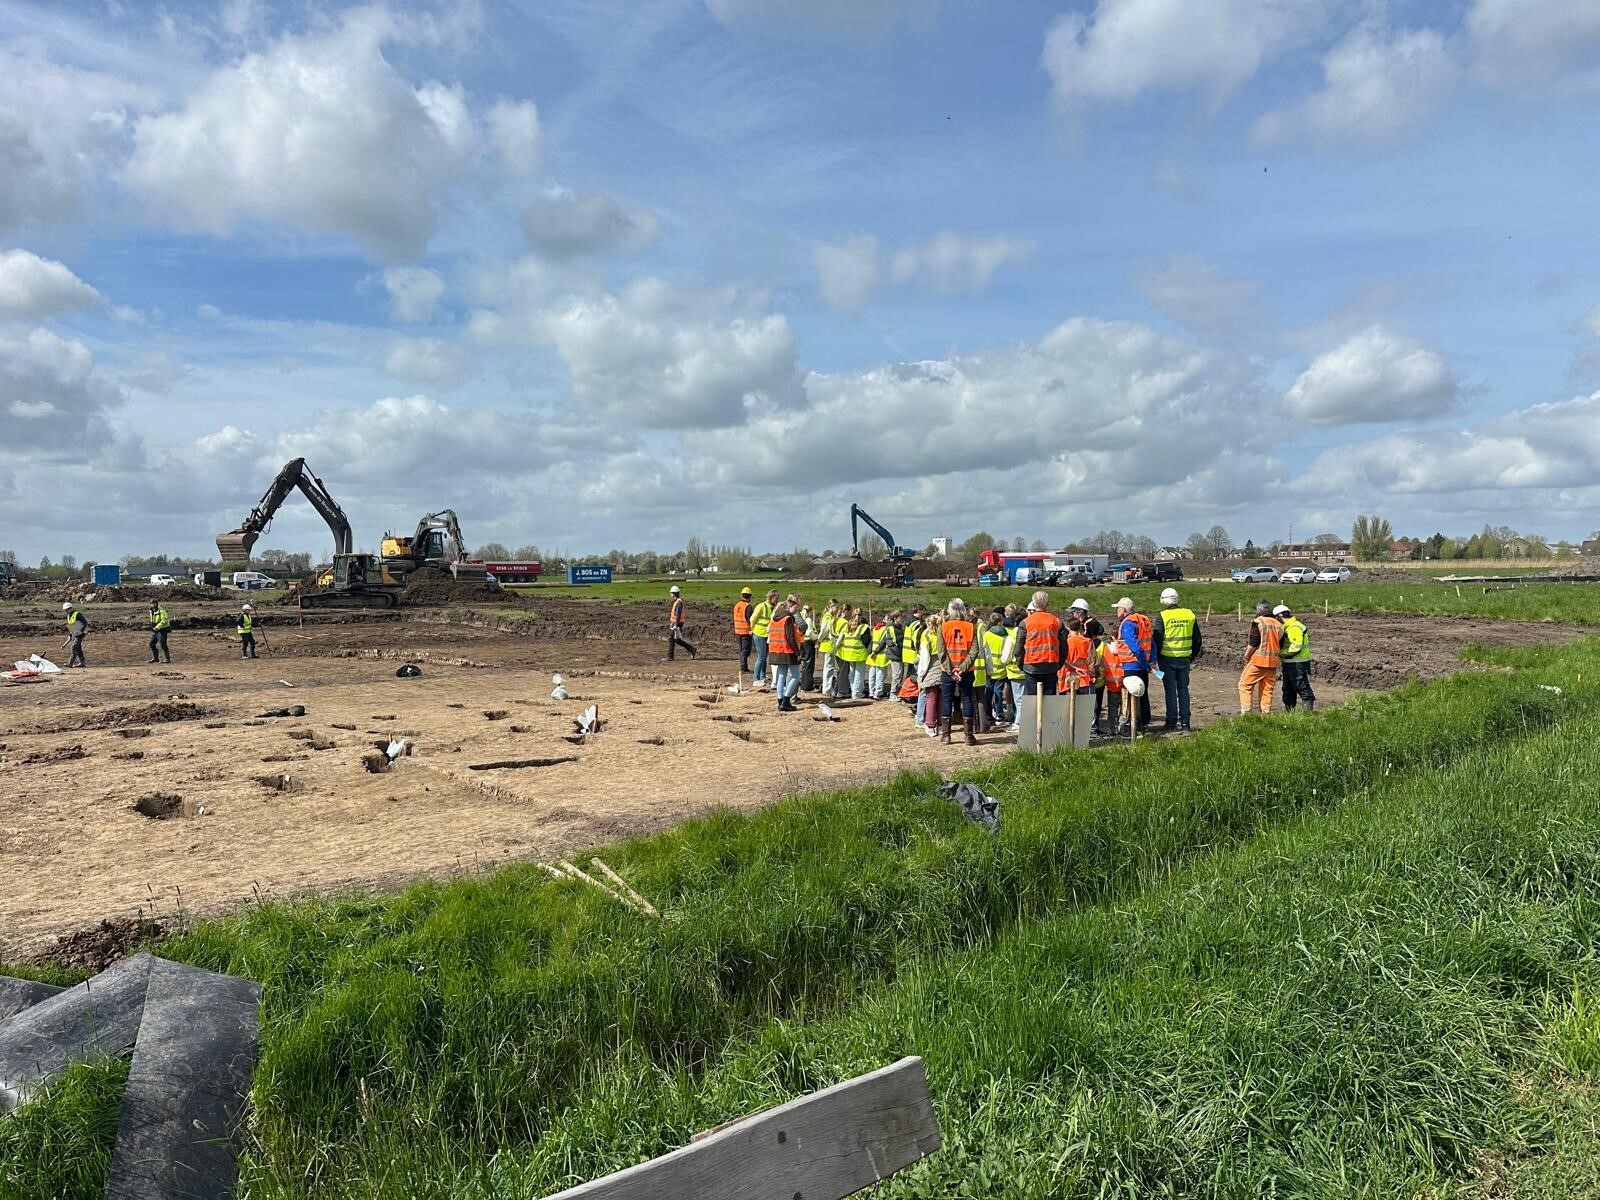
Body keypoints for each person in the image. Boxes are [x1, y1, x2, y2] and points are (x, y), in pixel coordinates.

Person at [939, 598, 992, 746]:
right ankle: (968, 736)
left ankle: (946, 736)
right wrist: (962, 668)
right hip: (966, 670)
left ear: (949, 610)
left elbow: (941, 652)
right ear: (963, 610)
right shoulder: (970, 627)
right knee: (967, 698)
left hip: (948, 671)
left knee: (947, 699)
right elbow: (974, 651)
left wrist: (951, 670)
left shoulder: (943, 627)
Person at [1155, 587, 1201, 732]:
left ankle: (1171, 722)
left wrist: (1156, 658)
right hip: (1185, 659)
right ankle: (1185, 723)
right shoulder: (1189, 614)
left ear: (1163, 601)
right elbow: (1197, 639)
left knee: (1170, 690)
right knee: (1183, 690)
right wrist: (1192, 655)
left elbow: (1158, 639)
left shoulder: (1162, 616)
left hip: (1166, 659)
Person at [1115, 597, 1154, 732]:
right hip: (1142, 665)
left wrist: (1144, 662)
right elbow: (1151, 642)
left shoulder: (1128, 623)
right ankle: (1143, 722)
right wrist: (1149, 662)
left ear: (1124, 610)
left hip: (1132, 664)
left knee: (1132, 695)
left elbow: (1135, 647)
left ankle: (1135, 726)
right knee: (1142, 694)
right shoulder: (1143, 620)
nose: (1117, 611)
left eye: (1118, 608)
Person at [1239, 599, 1284, 714]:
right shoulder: (1279, 624)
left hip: (1258, 661)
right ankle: (1266, 713)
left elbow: (1253, 643)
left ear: (1258, 610)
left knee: (1245, 685)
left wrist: (1246, 656)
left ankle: (1246, 713)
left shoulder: (1258, 622)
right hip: (1272, 663)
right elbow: (1281, 644)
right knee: (1267, 688)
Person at [1071, 598, 1108, 733]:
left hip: (1086, 676)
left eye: (1075, 612)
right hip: (1091, 677)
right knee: (1093, 702)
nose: (1073, 614)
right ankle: (1092, 727)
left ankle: (1090, 728)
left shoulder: (1085, 640)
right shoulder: (1095, 641)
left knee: (1088, 703)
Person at [1019, 591, 1066, 695]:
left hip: (1031, 667)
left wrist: (1021, 665)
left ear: (1033, 604)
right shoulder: (1057, 622)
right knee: (1049, 701)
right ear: (1047, 604)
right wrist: (1058, 664)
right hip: (1051, 666)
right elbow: (1064, 648)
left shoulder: (1025, 622)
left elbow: (1019, 648)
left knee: (1032, 700)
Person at [766, 601, 802, 711]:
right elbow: (790, 637)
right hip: (787, 651)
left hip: (775, 650)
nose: (796, 610)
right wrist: (797, 652)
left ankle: (780, 701)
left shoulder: (774, 618)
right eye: (795, 607)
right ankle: (786, 700)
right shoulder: (788, 619)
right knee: (796, 676)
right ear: (789, 607)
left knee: (781, 676)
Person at [1278, 604, 1315, 712]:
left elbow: (1295, 647)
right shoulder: (1289, 626)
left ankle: (1307, 715)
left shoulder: (1294, 627)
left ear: (1280, 616)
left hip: (1297, 664)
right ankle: (1290, 714)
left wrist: (1280, 654)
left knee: (1302, 688)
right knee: (1288, 690)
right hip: (1291, 662)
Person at [982, 609, 1012, 727]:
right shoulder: (1006, 635)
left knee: (988, 692)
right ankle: (999, 714)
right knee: (998, 691)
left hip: (989, 668)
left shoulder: (986, 635)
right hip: (1002, 668)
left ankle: (988, 714)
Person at [917, 613, 945, 735]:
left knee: (931, 697)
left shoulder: (926, 636)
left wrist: (920, 675)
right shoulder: (943, 633)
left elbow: (925, 658)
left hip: (931, 667)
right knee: (941, 698)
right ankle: (940, 724)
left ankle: (930, 725)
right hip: (943, 667)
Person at [837, 606, 869, 698]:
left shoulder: (848, 625)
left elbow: (841, 638)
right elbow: (866, 641)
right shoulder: (863, 627)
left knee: (852, 673)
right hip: (859, 653)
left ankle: (853, 690)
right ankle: (857, 693)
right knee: (859, 673)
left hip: (849, 654)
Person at [750, 590, 777, 689]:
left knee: (765, 656)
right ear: (771, 597)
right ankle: (756, 678)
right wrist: (752, 629)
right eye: (776, 598)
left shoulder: (773, 608)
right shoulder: (761, 606)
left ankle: (762, 676)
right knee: (761, 657)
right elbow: (753, 618)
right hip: (759, 633)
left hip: (767, 634)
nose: (777, 600)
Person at [666, 586, 698, 660]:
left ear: (674, 593)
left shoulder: (678, 603)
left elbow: (678, 615)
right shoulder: (677, 602)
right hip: (676, 623)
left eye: (671, 593)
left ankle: (670, 656)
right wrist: (672, 623)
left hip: (678, 623)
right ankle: (692, 649)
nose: (670, 594)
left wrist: (676, 625)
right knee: (676, 639)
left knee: (671, 639)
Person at [817, 600, 840, 696]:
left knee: (829, 667)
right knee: (829, 668)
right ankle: (827, 689)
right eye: (836, 607)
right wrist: (818, 640)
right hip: (828, 644)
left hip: (829, 644)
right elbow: (824, 631)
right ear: (831, 606)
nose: (837, 609)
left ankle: (827, 688)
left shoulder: (831, 616)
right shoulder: (828, 617)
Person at [867, 615, 892, 699]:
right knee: (880, 675)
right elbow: (883, 643)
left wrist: (870, 652)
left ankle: (871, 691)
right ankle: (878, 692)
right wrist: (875, 652)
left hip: (873, 655)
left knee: (872, 674)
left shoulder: (875, 628)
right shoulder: (886, 629)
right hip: (881, 655)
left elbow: (872, 641)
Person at [796, 600, 818, 692]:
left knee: (805, 663)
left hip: (802, 642)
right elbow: (809, 632)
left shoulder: (801, 618)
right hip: (808, 642)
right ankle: (807, 685)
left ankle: (805, 683)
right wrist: (816, 638)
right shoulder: (808, 620)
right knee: (809, 663)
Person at [732, 587, 754, 674]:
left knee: (742, 649)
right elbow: (750, 619)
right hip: (746, 631)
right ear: (750, 596)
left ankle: (743, 665)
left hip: (738, 631)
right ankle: (743, 667)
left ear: (742, 595)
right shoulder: (748, 607)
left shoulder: (737, 605)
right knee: (746, 650)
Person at [62, 600, 88, 668]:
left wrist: (81, 631)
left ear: (71, 608)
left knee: (74, 647)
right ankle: (82, 663)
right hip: (75, 633)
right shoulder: (68, 616)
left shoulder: (77, 614)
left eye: (67, 609)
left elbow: (85, 623)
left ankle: (70, 663)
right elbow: (71, 626)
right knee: (78, 648)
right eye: (65, 610)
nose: (66, 611)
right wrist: (71, 634)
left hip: (81, 633)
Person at [147, 600, 172, 664]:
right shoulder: (151, 610)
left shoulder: (162, 610)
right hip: (156, 629)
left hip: (162, 629)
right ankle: (155, 658)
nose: (152, 605)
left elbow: (164, 620)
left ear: (156, 604)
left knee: (163, 644)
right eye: (151, 604)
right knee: (151, 644)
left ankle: (167, 659)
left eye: (154, 603)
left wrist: (157, 627)